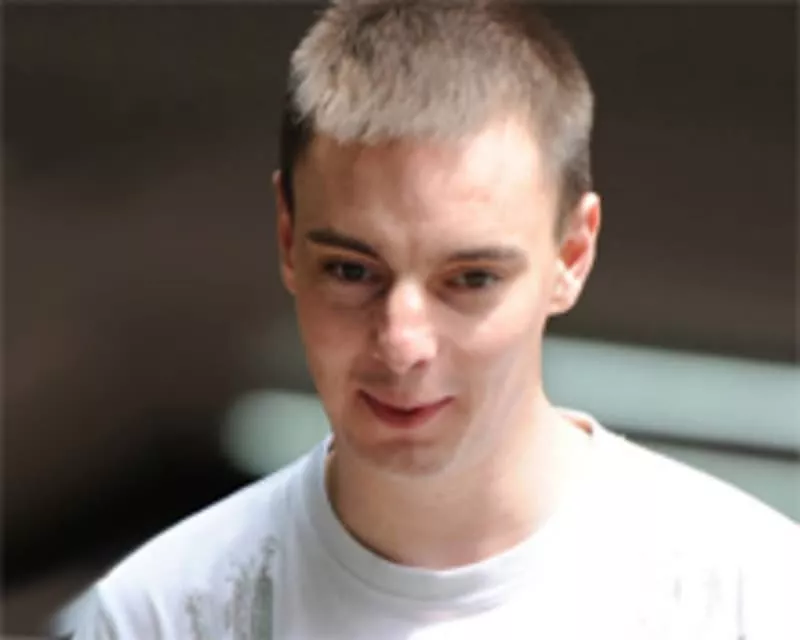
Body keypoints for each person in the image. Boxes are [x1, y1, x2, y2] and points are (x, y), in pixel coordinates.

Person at [71, 1, 799, 638]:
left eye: (472, 279)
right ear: (288, 239)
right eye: (351, 271)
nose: (402, 343)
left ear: (572, 255)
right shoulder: (157, 615)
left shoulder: (755, 600)